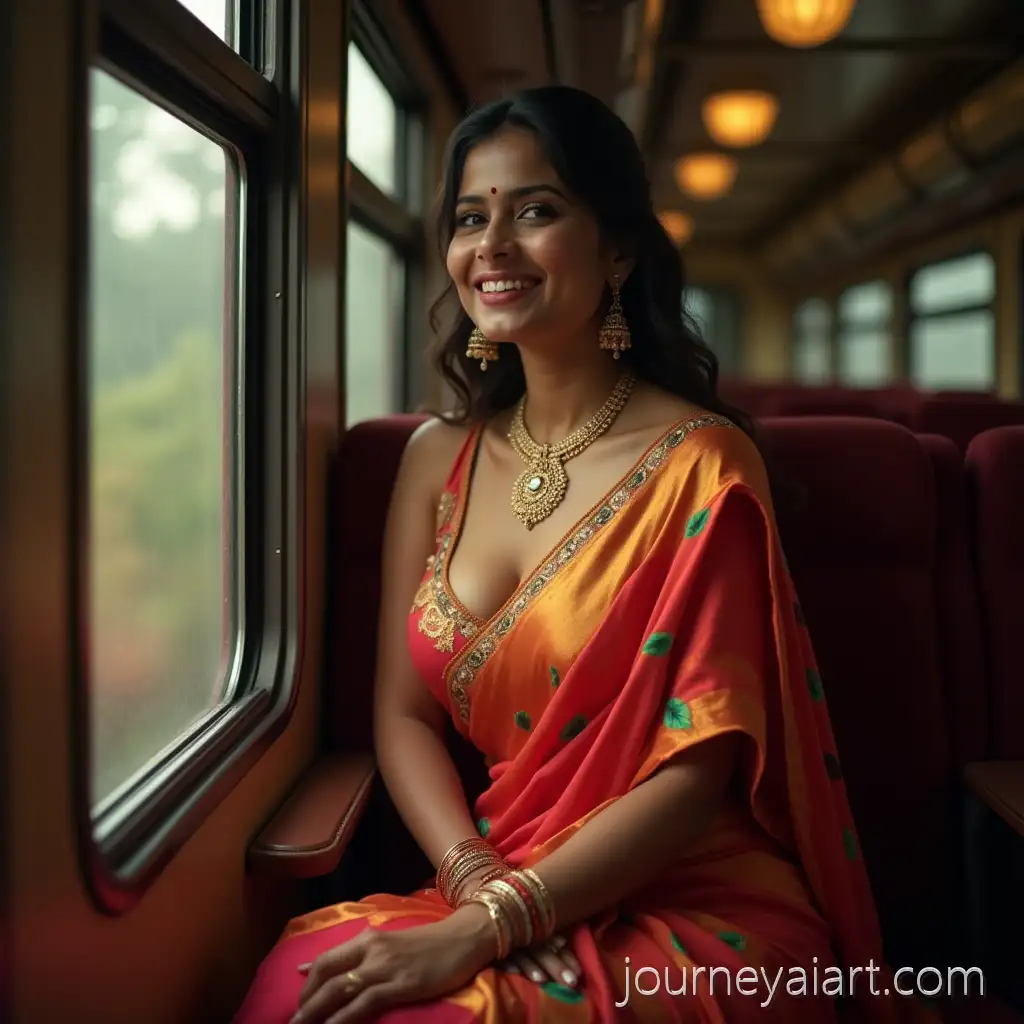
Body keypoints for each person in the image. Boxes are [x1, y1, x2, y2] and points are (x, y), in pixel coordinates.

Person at [234, 86, 938, 1024]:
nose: (491, 246)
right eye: (469, 218)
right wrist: (479, 886)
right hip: (491, 873)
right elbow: (400, 715)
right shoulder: (434, 458)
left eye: (535, 211)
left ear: (618, 250)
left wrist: (503, 922)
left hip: (693, 901)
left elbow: (704, 766)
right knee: (299, 990)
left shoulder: (700, 465)